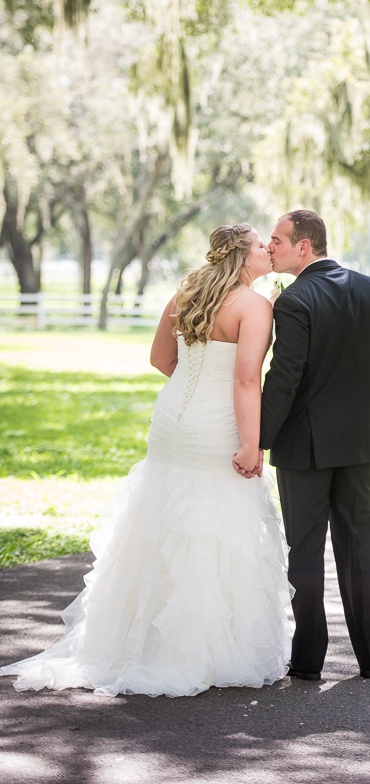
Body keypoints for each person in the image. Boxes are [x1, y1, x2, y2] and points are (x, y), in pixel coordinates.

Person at [1, 224, 292, 696]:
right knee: (216, 523)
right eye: (262, 246)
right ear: (242, 258)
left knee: (164, 515)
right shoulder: (255, 305)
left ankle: (140, 642)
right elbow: (245, 382)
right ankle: (202, 652)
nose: (269, 251)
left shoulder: (187, 292)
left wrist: (195, 384)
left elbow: (161, 359)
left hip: (171, 423)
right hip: (217, 425)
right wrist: (250, 443)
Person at [260, 209, 370, 681]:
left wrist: (259, 438)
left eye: (277, 239)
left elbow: (284, 378)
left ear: (305, 246)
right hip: (362, 444)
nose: (270, 247)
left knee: (305, 551)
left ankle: (309, 659)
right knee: (361, 549)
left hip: (306, 448)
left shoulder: (295, 299)